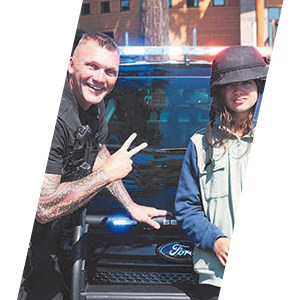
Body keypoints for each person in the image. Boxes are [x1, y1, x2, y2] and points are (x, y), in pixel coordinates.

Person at [16, 32, 168, 300]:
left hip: (42, 240)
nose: (100, 78)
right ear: (71, 64)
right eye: (93, 66)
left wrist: (130, 205)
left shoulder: (90, 99)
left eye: (110, 71)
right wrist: (106, 174)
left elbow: (95, 148)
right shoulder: (43, 114)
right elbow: (42, 206)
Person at [175, 46, 285, 300]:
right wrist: (216, 241)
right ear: (219, 92)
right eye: (230, 84)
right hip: (217, 281)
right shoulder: (199, 146)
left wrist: (272, 250)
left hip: (272, 280)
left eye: (246, 82)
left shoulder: (283, 143)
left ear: (259, 85)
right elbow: (186, 207)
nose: (238, 90)